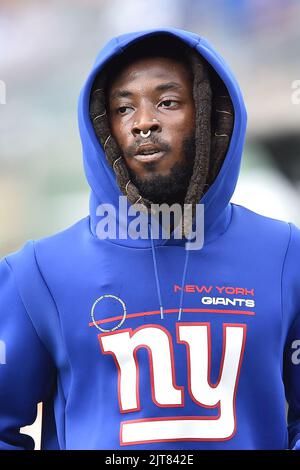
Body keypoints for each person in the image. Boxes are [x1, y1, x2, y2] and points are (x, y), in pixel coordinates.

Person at [0, 27, 299, 451]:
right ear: (103, 127)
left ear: (210, 116)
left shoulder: (287, 254)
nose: (144, 122)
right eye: (123, 109)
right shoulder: (37, 272)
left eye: (167, 102)